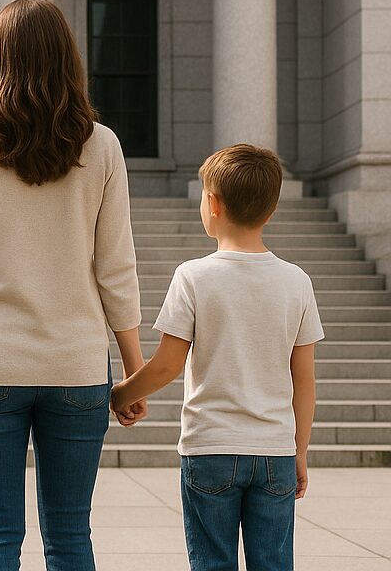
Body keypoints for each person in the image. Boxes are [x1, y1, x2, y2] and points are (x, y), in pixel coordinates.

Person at [0, 0, 145, 571]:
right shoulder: (103, 145)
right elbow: (117, 268)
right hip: (76, 363)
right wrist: (134, 371)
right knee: (69, 536)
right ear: (68, 61)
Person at [111, 143, 322, 571]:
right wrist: (299, 450)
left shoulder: (193, 276)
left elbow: (168, 365)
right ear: (273, 208)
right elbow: (304, 380)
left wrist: (120, 395)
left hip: (210, 447)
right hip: (275, 452)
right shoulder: (297, 281)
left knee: (211, 562)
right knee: (274, 563)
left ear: (212, 203)